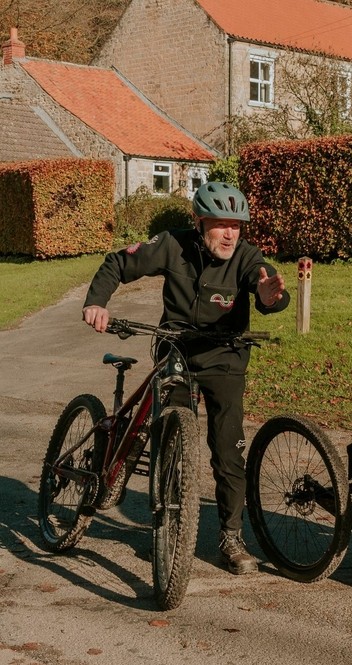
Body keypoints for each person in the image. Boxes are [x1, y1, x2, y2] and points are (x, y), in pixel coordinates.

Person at [82, 181, 289, 575]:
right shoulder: (172, 245)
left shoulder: (247, 257)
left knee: (228, 450)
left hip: (225, 357)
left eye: (237, 225)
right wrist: (96, 301)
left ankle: (230, 538)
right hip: (175, 349)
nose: (230, 233)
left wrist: (268, 297)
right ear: (199, 223)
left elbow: (267, 289)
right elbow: (118, 264)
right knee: (170, 433)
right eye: (220, 224)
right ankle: (168, 521)